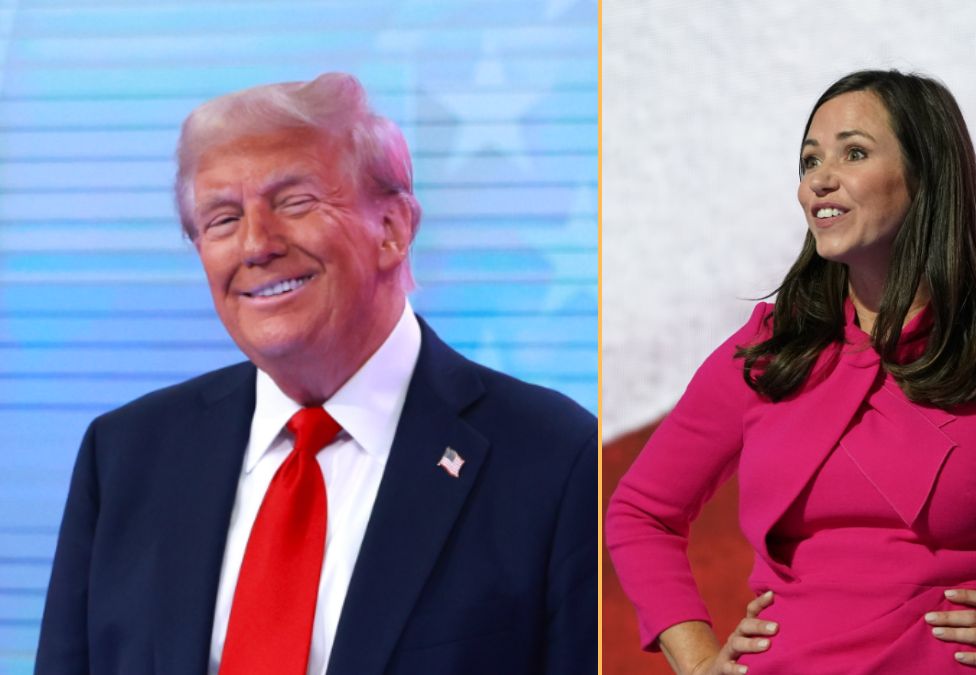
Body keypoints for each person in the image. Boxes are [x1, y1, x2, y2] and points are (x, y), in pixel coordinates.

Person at [605, 70, 976, 674]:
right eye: (810, 161)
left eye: (853, 153)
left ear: (926, 177)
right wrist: (699, 661)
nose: (819, 181)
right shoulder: (771, 350)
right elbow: (640, 512)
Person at [36, 72, 597, 675]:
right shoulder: (125, 454)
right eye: (222, 219)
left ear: (394, 229)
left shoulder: (555, 459)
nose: (256, 244)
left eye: (293, 203)